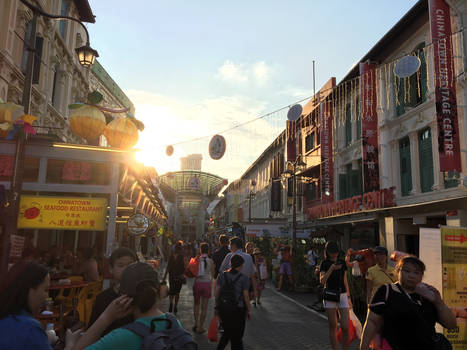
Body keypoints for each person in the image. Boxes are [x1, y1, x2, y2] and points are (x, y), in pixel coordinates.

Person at [71, 262, 182, 350]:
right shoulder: (174, 323)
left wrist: (107, 316)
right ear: (160, 292)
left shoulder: (121, 337)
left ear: (123, 297)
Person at [360, 256, 457, 350]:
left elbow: (451, 325)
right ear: (398, 271)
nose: (411, 275)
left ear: (421, 276)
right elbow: (371, 322)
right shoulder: (387, 291)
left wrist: (438, 302)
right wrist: (363, 347)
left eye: (416, 272)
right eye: (406, 271)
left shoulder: (428, 294)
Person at [0, 261, 78, 350]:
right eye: (45, 290)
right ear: (30, 290)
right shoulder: (31, 328)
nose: (47, 296)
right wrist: (70, 345)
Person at [88, 247, 137, 335]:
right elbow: (93, 328)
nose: (126, 269)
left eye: (130, 264)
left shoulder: (140, 296)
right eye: (120, 265)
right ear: (111, 269)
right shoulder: (102, 298)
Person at [320, 241, 351, 350]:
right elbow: (322, 281)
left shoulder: (342, 262)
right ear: (327, 252)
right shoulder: (324, 263)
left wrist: (349, 297)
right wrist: (331, 268)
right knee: (333, 325)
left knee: (345, 326)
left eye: (336, 252)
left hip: (342, 294)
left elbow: (345, 280)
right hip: (330, 294)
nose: (334, 254)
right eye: (332, 252)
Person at [216, 255, 251, 350]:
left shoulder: (222, 275)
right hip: (238, 309)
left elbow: (217, 291)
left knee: (227, 333)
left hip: (224, 308)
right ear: (240, 265)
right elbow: (246, 295)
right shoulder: (244, 278)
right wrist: (248, 309)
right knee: (237, 336)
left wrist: (217, 306)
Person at [192, 242, 214, 334]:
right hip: (206, 284)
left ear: (200, 250)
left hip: (197, 283)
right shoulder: (211, 261)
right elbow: (213, 275)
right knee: (204, 308)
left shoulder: (196, 259)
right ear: (208, 251)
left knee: (196, 305)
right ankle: (201, 327)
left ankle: (196, 324)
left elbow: (192, 272)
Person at [163, 242, 186, 313]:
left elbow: (168, 267)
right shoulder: (182, 257)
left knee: (171, 291)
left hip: (172, 276)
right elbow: (185, 267)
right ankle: (175, 306)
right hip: (179, 276)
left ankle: (171, 303)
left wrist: (164, 277)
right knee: (177, 292)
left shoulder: (171, 256)